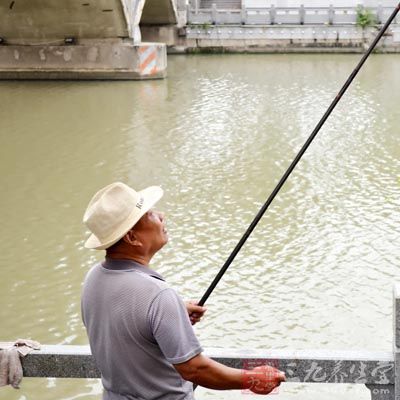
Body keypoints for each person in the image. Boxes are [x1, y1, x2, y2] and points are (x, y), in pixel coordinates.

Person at [81, 182, 286, 400]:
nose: (161, 215)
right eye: (149, 214)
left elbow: (127, 332)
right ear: (132, 238)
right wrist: (251, 379)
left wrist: (172, 316)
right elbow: (194, 369)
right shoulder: (158, 295)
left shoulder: (93, 278)